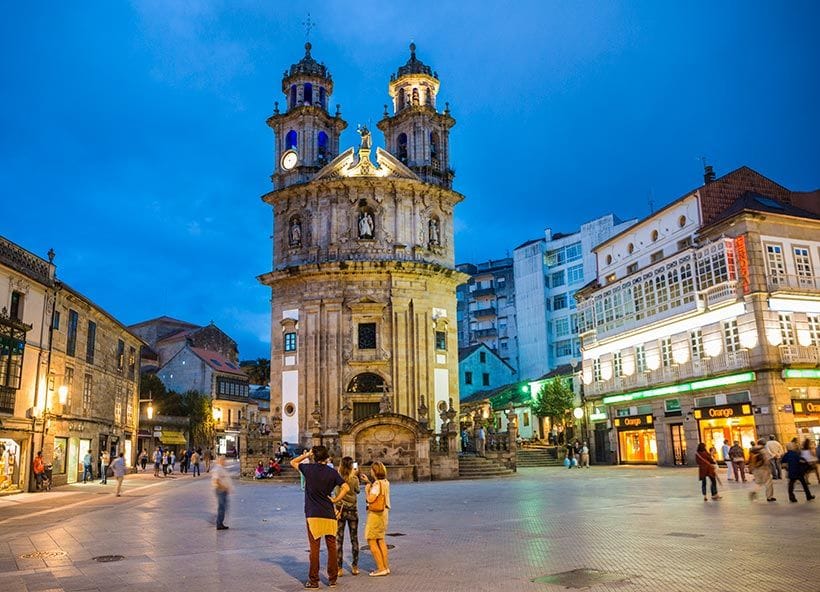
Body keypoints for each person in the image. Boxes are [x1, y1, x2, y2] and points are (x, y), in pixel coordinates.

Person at [291, 446, 349, 589]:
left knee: (314, 548)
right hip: (329, 514)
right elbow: (346, 487)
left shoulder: (308, 469)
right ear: (326, 457)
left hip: (313, 514)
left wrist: (307, 455)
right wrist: (335, 500)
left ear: (315, 457)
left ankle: (314, 580)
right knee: (331, 547)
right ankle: (333, 578)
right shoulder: (332, 472)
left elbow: (292, 462)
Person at [361, 461, 391, 577]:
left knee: (371, 540)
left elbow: (371, 499)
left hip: (376, 515)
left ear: (374, 471)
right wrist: (369, 482)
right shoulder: (385, 482)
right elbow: (379, 492)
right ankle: (385, 567)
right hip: (384, 513)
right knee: (381, 539)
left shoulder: (377, 484)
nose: (370, 471)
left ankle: (380, 568)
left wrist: (367, 490)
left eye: (372, 470)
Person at [335, 456, 361, 577]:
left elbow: (335, 492)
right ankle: (355, 566)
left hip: (340, 511)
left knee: (339, 539)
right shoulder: (354, 479)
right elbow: (357, 491)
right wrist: (355, 475)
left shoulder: (337, 477)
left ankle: (339, 568)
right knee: (354, 538)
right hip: (352, 511)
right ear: (351, 466)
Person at [212, 455, 233, 530]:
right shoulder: (217, 469)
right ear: (220, 461)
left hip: (223, 490)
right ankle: (219, 523)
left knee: (223, 507)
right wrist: (223, 487)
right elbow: (216, 480)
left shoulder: (221, 468)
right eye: (224, 460)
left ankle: (220, 522)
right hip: (220, 490)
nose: (225, 461)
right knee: (222, 507)